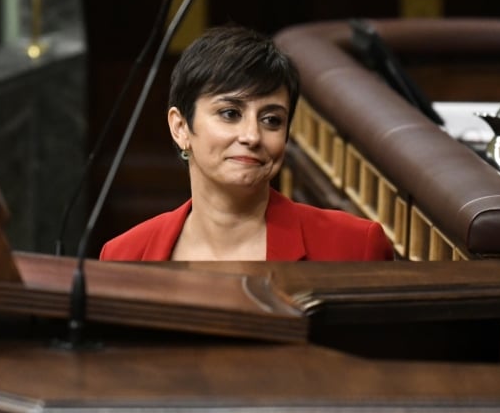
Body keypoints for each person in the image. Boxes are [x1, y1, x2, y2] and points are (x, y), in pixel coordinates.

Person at [100, 25, 394, 261]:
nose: (252, 136)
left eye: (271, 120)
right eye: (230, 114)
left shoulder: (355, 246)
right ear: (180, 127)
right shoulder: (125, 255)